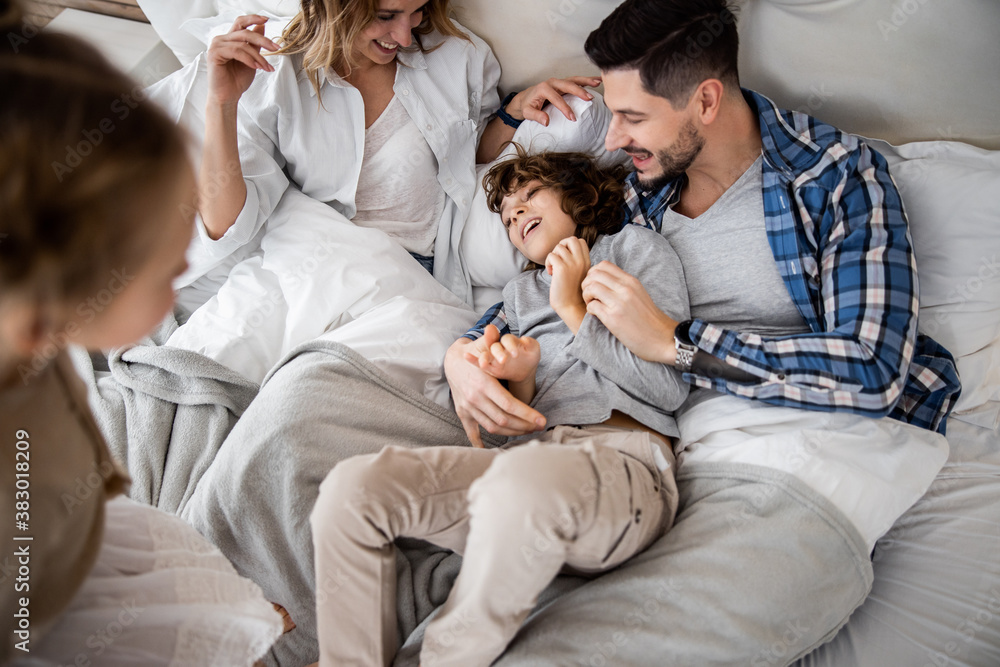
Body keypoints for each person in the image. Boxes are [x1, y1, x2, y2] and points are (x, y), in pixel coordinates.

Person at [443, 0, 962, 663]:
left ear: (706, 101)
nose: (611, 139)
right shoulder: (640, 191)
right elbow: (543, 284)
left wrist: (679, 343)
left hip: (793, 453)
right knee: (460, 597)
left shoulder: (836, 178)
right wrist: (463, 353)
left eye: (632, 117)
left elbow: (875, 370)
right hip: (650, 448)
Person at [308, 149, 690, 666]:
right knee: (351, 491)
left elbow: (668, 389)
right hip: (525, 472)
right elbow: (503, 437)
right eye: (507, 216)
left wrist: (573, 309)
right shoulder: (518, 294)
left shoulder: (635, 251)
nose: (517, 216)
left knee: (520, 486)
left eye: (530, 195)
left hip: (620, 465)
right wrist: (523, 380)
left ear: (577, 194)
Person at [0, 7, 283, 663]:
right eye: (167, 271)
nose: (187, 264)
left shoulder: (34, 332)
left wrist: (212, 603)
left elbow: (96, 520)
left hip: (89, 547)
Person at [166, 0, 602, 382]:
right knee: (201, 369)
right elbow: (227, 223)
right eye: (385, 16)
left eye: (417, 11)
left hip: (410, 278)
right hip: (312, 256)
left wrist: (513, 114)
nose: (404, 33)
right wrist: (222, 104)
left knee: (315, 394)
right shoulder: (274, 71)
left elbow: (470, 157)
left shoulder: (459, 55)